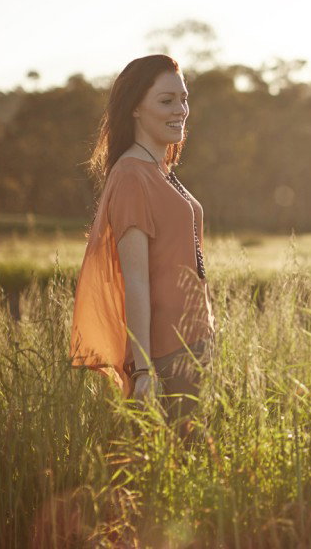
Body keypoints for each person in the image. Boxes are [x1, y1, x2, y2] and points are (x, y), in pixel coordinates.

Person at [70, 55, 215, 426]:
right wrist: (145, 370)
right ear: (135, 108)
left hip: (194, 345)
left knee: (193, 468)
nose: (180, 110)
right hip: (166, 353)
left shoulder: (159, 169)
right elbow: (136, 279)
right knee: (173, 469)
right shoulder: (133, 176)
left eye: (183, 99)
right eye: (166, 101)